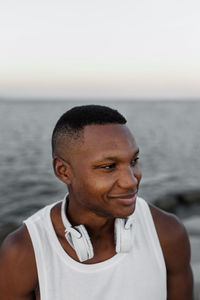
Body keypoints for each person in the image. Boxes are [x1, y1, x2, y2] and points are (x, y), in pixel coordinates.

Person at [0, 105, 193, 300]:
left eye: (133, 161)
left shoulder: (167, 232)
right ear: (63, 171)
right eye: (109, 166)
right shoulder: (23, 254)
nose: (131, 180)